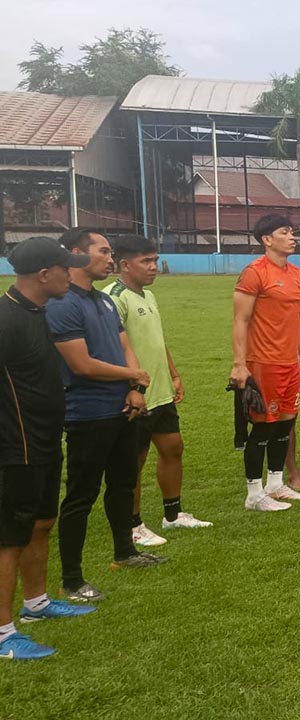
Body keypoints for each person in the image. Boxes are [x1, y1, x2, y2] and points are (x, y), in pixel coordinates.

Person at [47, 228, 167, 602]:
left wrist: (135, 388)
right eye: (103, 251)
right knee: (81, 495)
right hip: (88, 413)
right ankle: (72, 578)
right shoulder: (63, 303)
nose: (110, 258)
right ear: (76, 254)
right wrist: (132, 375)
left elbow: (124, 345)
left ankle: (125, 552)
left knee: (123, 483)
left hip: (122, 408)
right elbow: (81, 365)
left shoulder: (102, 301)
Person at [0, 238, 97, 660]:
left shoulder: (36, 311)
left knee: (41, 524)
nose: (71, 274)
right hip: (14, 448)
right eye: (65, 268)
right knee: (8, 538)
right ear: (44, 274)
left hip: (43, 439)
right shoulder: (5, 319)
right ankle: (3, 634)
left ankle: (36, 602)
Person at [105, 235, 212, 549]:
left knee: (173, 448)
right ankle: (133, 524)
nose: (154, 267)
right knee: (133, 462)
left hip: (161, 391)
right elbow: (113, 348)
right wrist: (131, 387)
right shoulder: (114, 297)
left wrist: (174, 374)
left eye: (155, 260)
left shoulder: (147, 296)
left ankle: (173, 514)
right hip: (136, 395)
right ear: (125, 264)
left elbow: (156, 340)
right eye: (146, 261)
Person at [230, 214, 300, 512]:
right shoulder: (254, 273)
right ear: (267, 239)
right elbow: (240, 320)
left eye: (293, 232)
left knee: (285, 424)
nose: (292, 237)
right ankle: (254, 494)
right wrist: (240, 364)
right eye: (285, 232)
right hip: (263, 362)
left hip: (289, 362)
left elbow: (295, 317)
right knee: (263, 427)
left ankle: (276, 483)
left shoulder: (294, 273)